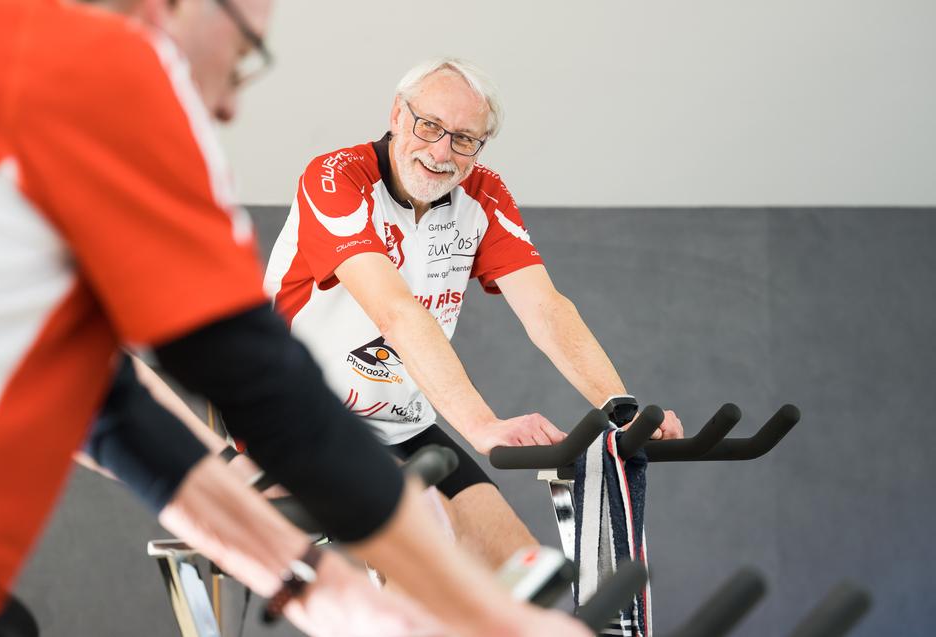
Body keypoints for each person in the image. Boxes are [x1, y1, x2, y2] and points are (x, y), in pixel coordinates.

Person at [0, 3, 590, 636]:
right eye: (246, 54)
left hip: (394, 424)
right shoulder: (101, 67)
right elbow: (259, 377)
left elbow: (104, 400)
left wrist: (308, 582)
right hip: (332, 420)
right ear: (170, 8)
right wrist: (472, 609)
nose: (228, 110)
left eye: (464, 138)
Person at [265, 57, 685, 568]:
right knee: (428, 561)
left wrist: (620, 409)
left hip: (402, 426)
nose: (441, 152)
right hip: (299, 418)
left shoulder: (482, 192)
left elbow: (545, 308)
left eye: (464, 139)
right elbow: (396, 312)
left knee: (520, 571)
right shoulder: (335, 179)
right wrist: (483, 427)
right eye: (430, 126)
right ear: (398, 114)